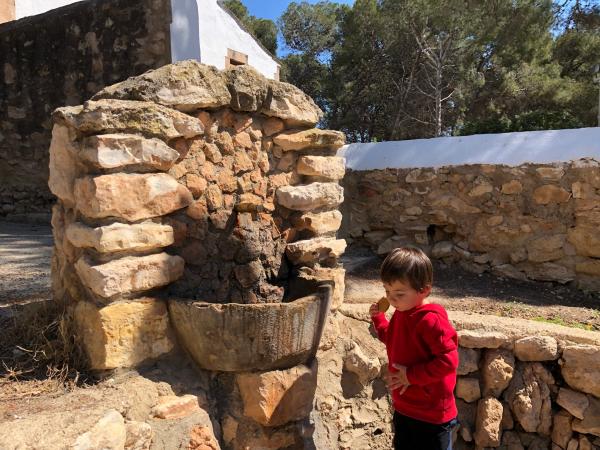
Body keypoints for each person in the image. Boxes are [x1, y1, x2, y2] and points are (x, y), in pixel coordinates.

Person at [369, 246, 459, 450]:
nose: (391, 299)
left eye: (399, 293)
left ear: (424, 290)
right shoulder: (403, 312)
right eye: (387, 291)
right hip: (405, 408)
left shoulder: (430, 321)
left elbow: (449, 361)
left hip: (432, 415)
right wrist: (379, 319)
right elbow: (392, 339)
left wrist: (411, 376)